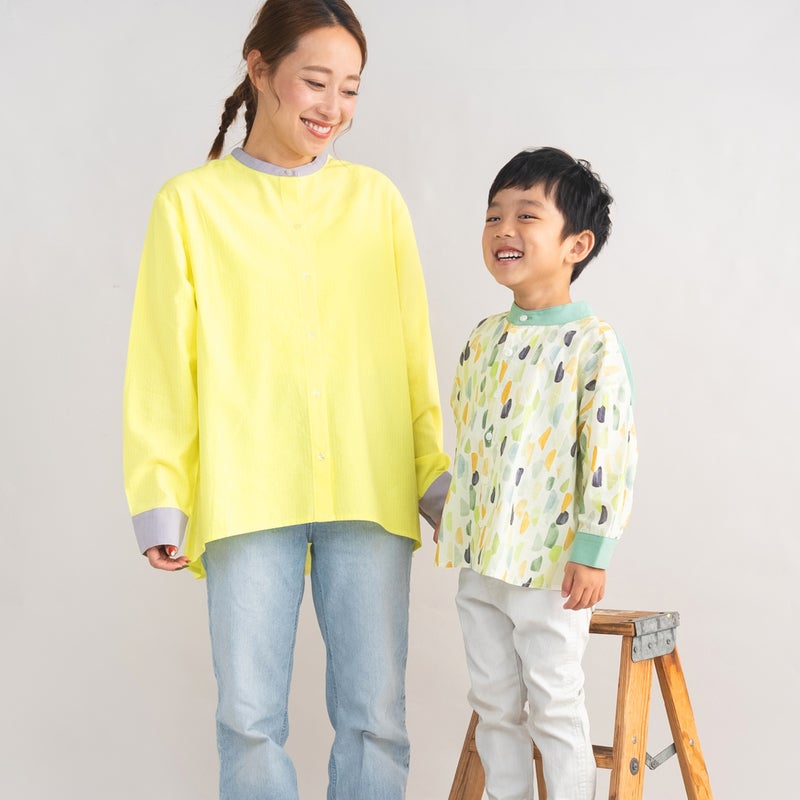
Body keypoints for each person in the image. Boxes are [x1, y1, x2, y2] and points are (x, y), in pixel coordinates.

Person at [123, 2, 450, 798]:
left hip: (369, 485)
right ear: (259, 68)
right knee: (249, 719)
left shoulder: (377, 202)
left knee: (375, 716)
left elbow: (412, 352)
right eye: (315, 82)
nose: (333, 108)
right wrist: (161, 493)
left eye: (350, 89)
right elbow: (163, 362)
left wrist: (433, 474)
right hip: (246, 490)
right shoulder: (189, 205)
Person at [434, 147, 638, 800]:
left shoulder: (593, 344)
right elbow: (472, 439)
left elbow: (609, 452)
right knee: (494, 704)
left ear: (576, 244)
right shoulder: (483, 338)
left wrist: (593, 549)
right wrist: (458, 519)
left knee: (554, 703)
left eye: (526, 215)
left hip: (550, 565)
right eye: (493, 216)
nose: (504, 229)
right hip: (480, 560)